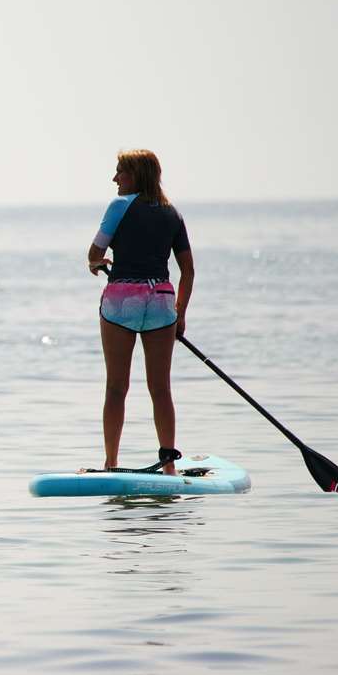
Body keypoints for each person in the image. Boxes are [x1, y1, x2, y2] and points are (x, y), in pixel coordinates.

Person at [87, 149, 194, 472]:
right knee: (160, 388)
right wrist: (180, 313)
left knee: (116, 387)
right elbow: (187, 270)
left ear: (134, 175)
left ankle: (110, 462)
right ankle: (169, 464)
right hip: (162, 302)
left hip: (123, 300)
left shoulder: (119, 205)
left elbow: (95, 252)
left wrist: (96, 263)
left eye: (120, 171)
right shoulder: (172, 213)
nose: (115, 178)